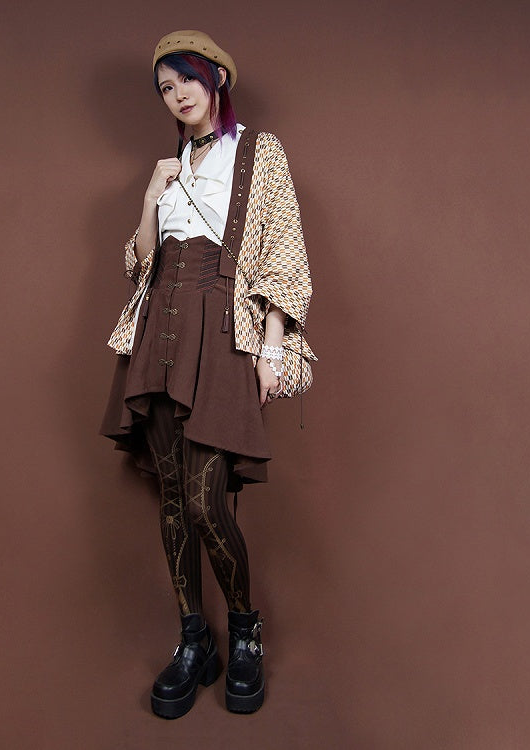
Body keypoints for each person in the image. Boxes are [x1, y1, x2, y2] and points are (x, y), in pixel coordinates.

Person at [100, 29, 313, 718]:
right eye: (165, 87)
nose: (178, 94)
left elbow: (283, 248)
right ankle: (195, 640)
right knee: (171, 499)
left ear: (216, 77)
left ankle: (244, 631)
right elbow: (140, 263)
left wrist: (272, 350)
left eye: (187, 78)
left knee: (204, 501)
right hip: (158, 328)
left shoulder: (258, 151)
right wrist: (149, 198)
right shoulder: (171, 166)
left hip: (220, 330)